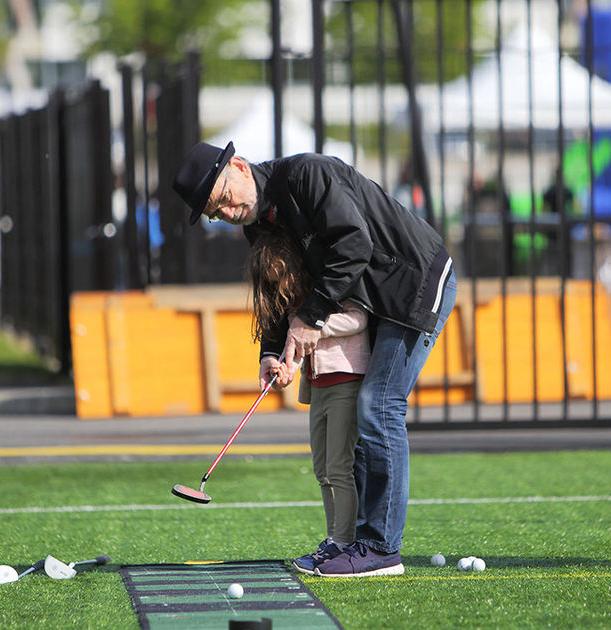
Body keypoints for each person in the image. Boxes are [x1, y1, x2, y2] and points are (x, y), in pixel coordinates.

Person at [172, 141, 456, 577]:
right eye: (217, 213)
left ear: (239, 167)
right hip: (374, 299)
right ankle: (351, 542)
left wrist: (311, 318)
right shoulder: (257, 222)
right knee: (358, 426)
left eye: (224, 199)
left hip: (416, 280)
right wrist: (271, 351)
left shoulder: (307, 175)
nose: (228, 213)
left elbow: (353, 244)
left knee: (378, 407)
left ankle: (380, 549)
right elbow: (276, 291)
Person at [244, 224, 371, 574]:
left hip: (346, 379)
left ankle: (343, 542)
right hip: (317, 386)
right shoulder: (296, 304)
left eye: (281, 276)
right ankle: (333, 539)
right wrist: (287, 369)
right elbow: (296, 347)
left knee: (339, 467)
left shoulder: (329, 285)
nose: (280, 286)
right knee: (321, 470)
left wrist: (318, 325)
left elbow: (359, 318)